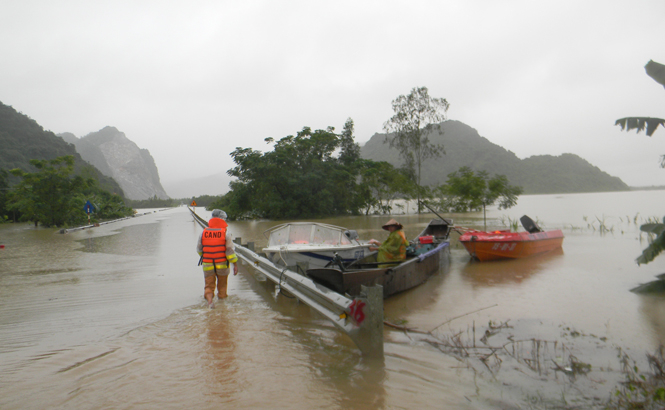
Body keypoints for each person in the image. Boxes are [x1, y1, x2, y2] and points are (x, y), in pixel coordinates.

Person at [197, 209, 239, 308]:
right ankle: (222, 308)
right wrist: (235, 264)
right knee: (222, 287)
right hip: (222, 264)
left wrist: (207, 255)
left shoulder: (203, 232)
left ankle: (210, 301)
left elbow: (199, 249)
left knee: (208, 287)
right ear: (223, 219)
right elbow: (229, 251)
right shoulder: (226, 233)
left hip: (208, 264)